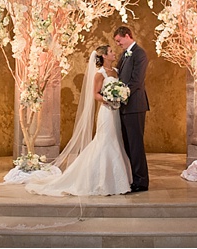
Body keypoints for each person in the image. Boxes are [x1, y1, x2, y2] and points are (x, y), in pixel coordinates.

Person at [25, 45, 132, 196]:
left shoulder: (116, 71)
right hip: (107, 112)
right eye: (111, 52)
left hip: (116, 112)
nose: (114, 54)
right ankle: (98, 180)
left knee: (116, 140)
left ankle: (114, 180)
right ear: (104, 56)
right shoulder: (99, 74)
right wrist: (109, 100)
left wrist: (119, 97)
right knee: (105, 142)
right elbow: (95, 94)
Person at [113, 26, 150, 192]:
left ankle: (141, 182)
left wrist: (121, 94)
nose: (118, 44)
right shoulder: (124, 55)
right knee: (128, 144)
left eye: (119, 40)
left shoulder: (139, 54)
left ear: (127, 36)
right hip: (124, 105)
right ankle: (131, 178)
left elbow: (136, 81)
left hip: (135, 105)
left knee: (136, 145)